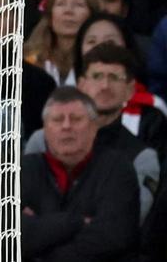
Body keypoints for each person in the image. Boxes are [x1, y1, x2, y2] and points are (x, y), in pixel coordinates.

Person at [26, 43, 161, 221]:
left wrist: (48, 222)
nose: (104, 85)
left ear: (130, 90)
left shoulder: (141, 158)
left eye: (114, 77)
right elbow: (22, 216)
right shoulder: (42, 140)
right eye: (96, 76)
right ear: (81, 85)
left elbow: (125, 223)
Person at [21, 87, 140, 261]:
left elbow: (112, 237)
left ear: (94, 127)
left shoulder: (118, 169)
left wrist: (41, 231)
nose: (66, 126)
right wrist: (76, 222)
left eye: (76, 119)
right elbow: (7, 236)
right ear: (45, 130)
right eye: (57, 119)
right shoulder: (23, 169)